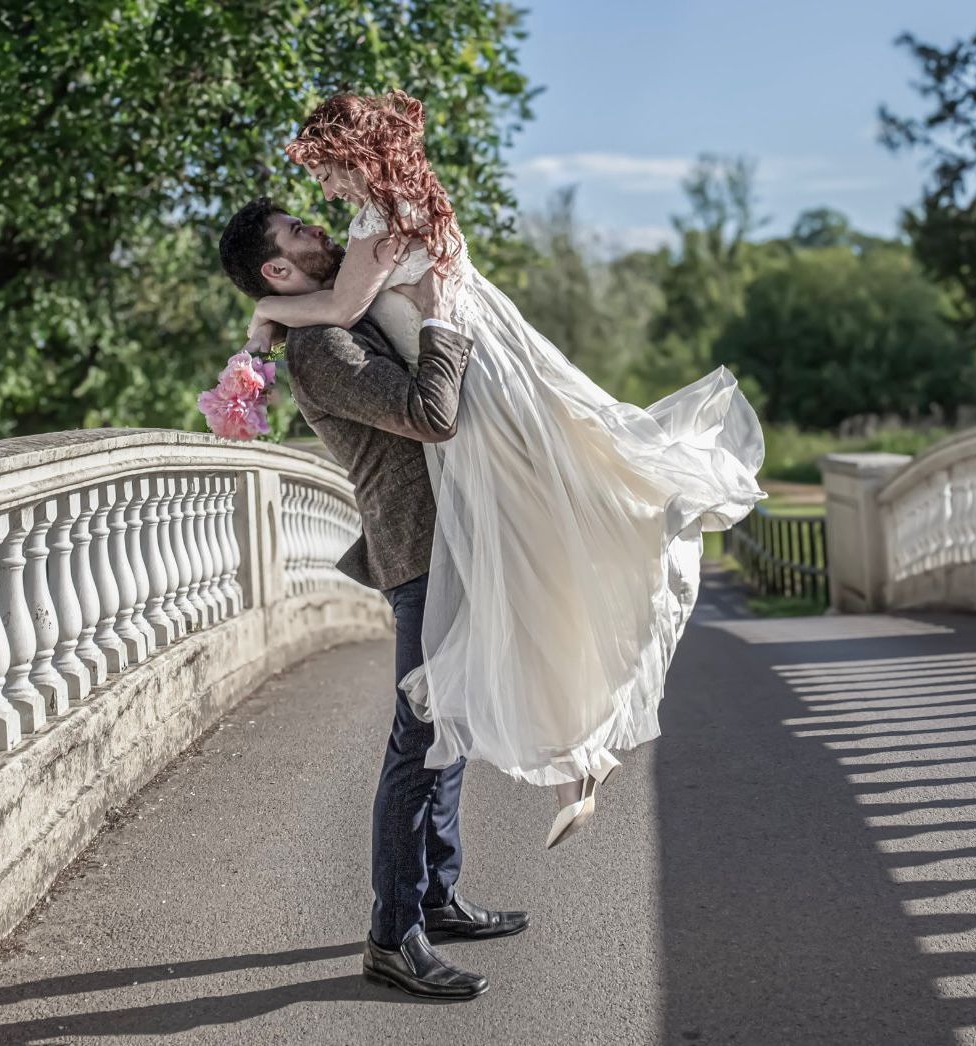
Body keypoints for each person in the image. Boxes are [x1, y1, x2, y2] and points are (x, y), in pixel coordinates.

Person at [246, 89, 767, 850]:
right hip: (497, 369)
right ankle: (576, 757)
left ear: (353, 157)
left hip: (469, 388)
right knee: (530, 561)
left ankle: (573, 753)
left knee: (520, 561)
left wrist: (266, 314)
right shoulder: (412, 202)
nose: (321, 193)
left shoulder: (375, 224)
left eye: (324, 171)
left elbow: (339, 308)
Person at [219, 199, 529, 1002]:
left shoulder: (339, 316)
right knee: (418, 738)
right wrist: (436, 322)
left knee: (446, 728)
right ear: (277, 272)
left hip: (449, 544)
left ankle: (437, 896)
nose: (318, 230)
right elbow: (431, 414)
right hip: (419, 553)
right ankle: (393, 936)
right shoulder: (321, 347)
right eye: (297, 234)